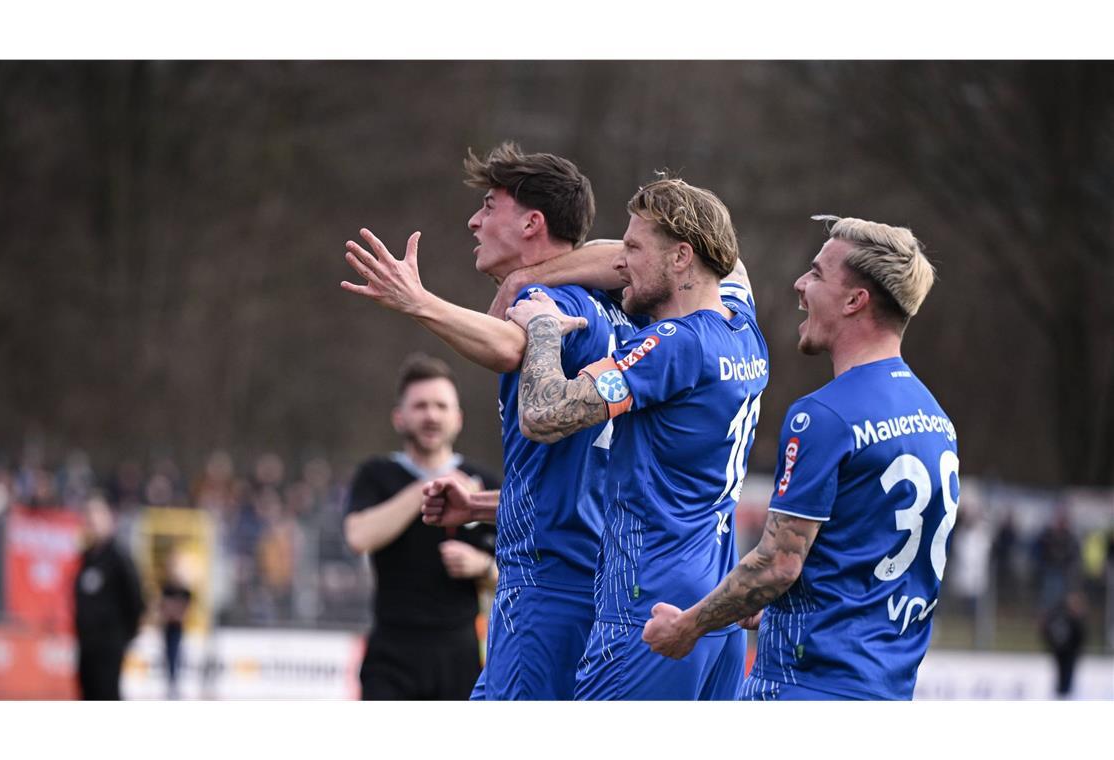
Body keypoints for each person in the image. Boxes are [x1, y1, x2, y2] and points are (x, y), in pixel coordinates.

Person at [341, 143, 639, 699]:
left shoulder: (551, 305)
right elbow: (566, 477)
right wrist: (480, 505)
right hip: (592, 576)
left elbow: (509, 344)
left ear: (532, 222)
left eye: (489, 204)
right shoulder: (612, 306)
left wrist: (419, 301)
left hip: (544, 583)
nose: (474, 220)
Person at [642, 214, 956, 701]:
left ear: (855, 301)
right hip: (886, 692)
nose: (799, 284)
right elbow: (866, 563)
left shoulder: (825, 415)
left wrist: (688, 625)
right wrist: (778, 610)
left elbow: (777, 565)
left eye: (816, 273)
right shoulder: (935, 418)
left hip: (803, 687)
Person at [506, 176, 766, 700]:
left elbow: (542, 414)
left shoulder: (673, 345)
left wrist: (542, 328)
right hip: (712, 606)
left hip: (648, 605)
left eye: (633, 247)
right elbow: (732, 266)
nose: (620, 261)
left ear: (680, 258)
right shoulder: (744, 326)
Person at [344, 353, 500, 700]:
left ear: (458, 419)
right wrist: (427, 487)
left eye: (441, 406)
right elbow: (358, 536)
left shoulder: (485, 485)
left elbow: (519, 574)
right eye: (421, 406)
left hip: (460, 652)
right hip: (392, 651)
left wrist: (481, 566)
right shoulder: (377, 475)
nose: (431, 415)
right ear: (399, 418)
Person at [74, 493, 145, 700]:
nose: (92, 522)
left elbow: (135, 598)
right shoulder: (87, 558)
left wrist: (124, 635)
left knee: (106, 693)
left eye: (96, 515)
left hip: (110, 644)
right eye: (88, 517)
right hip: (87, 644)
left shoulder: (118, 556)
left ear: (108, 518)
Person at [158, 551, 192, 700]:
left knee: (176, 655)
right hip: (168, 627)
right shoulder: (167, 588)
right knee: (168, 656)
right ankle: (171, 684)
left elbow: (183, 610)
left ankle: (175, 684)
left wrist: (174, 611)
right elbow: (164, 608)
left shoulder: (184, 590)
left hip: (177, 628)